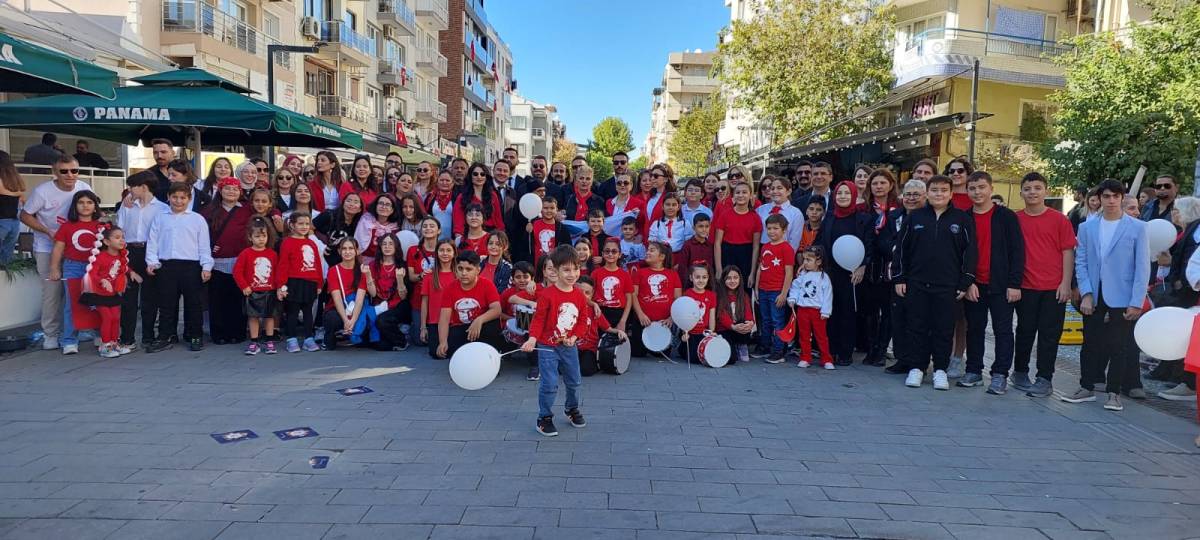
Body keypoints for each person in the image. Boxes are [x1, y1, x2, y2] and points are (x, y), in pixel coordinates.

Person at [1064, 179, 1150, 412]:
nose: (1111, 201)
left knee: (1119, 346)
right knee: (1090, 343)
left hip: (1123, 295)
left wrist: (1136, 301)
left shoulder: (1137, 228)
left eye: (1115, 196)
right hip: (1094, 292)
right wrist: (1086, 293)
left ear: (1122, 198)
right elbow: (1081, 262)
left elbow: (1143, 268)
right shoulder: (1087, 227)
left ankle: (1114, 393)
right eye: (1106, 196)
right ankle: (1086, 386)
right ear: (1099, 199)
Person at [893, 174, 976, 391]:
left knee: (943, 328)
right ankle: (917, 368)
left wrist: (965, 281)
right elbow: (902, 249)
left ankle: (940, 370)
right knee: (917, 326)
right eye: (934, 190)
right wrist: (900, 277)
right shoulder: (915, 217)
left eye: (943, 191)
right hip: (916, 283)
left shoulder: (962, 219)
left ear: (950, 194)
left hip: (948, 286)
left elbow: (970, 252)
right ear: (927, 194)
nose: (939, 194)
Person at [960, 171, 1026, 394]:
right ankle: (974, 370)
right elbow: (959, 253)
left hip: (1002, 284)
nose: (977, 192)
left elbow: (1017, 251)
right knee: (975, 328)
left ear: (990, 188)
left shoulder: (1006, 216)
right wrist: (966, 282)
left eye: (981, 187)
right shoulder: (964, 217)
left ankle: (999, 374)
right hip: (974, 283)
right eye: (972, 188)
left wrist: (1014, 283)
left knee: (1003, 330)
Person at [1011, 172, 1076, 398]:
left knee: (1049, 334)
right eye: (1028, 189)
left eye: (1037, 188)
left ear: (1045, 191)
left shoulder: (1059, 219)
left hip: (1053, 287)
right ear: (1021, 193)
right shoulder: (1015, 219)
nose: (1032, 193)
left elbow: (1067, 251)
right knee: (1025, 331)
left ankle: (1044, 378)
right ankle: (1019, 372)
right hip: (1026, 286)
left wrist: (1065, 283)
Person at [20, 154, 93, 350]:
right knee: (52, 292)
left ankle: (82, 328)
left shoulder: (84, 187)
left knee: (81, 289)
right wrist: (47, 231)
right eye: (64, 171)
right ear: (55, 173)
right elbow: (25, 215)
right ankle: (50, 334)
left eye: (74, 170)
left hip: (76, 249)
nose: (70, 175)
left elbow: (95, 211)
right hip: (46, 246)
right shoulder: (43, 191)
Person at [521, 245, 590, 437]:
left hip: (569, 347)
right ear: (555, 270)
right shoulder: (547, 295)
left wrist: (574, 337)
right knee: (549, 383)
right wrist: (532, 339)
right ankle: (544, 418)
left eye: (575, 269)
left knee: (574, 381)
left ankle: (572, 409)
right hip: (547, 347)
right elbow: (538, 320)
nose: (572, 274)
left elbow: (583, 321)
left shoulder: (579, 295)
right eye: (566, 270)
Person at [145, 182, 213, 353]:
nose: (178, 201)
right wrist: (151, 262)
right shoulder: (160, 217)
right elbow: (153, 242)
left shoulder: (197, 219)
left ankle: (194, 335)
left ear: (189, 199)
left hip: (191, 266)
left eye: (183, 197)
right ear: (168, 197)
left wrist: (206, 266)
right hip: (166, 265)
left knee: (193, 304)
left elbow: (204, 245)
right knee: (167, 304)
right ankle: (165, 335)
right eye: (174, 197)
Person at [816, 181, 871, 366]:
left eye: (847, 193)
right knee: (830, 312)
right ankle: (830, 350)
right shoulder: (829, 217)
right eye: (840, 193)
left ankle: (846, 352)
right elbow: (820, 242)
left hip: (853, 273)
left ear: (854, 195)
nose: (843, 196)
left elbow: (869, 245)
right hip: (831, 272)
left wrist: (863, 266)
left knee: (848, 313)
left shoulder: (863, 219)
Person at [48, 190, 105, 355]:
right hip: (73, 267)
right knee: (72, 305)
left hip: (96, 268)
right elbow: (58, 248)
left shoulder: (102, 226)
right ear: (75, 206)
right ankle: (69, 340)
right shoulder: (67, 226)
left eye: (89, 202)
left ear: (95, 206)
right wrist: (54, 268)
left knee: (97, 303)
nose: (85, 206)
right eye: (81, 202)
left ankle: (100, 334)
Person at [115, 172, 166, 351]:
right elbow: (119, 228)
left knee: (150, 298)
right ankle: (127, 337)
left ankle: (148, 336)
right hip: (129, 250)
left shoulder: (161, 208)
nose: (129, 190)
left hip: (150, 252)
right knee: (127, 297)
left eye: (132, 186)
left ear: (144, 187)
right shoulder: (127, 205)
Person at [882, 180, 926, 375]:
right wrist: (895, 249)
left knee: (919, 321)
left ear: (925, 196)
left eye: (916, 194)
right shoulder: (893, 216)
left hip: (921, 276)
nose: (911, 198)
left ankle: (919, 362)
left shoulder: (929, 217)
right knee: (898, 318)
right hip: (897, 274)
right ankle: (902, 359)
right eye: (908, 194)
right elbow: (883, 240)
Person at [202, 178, 253, 345]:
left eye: (235, 189)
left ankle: (237, 332)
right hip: (217, 262)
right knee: (217, 300)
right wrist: (209, 247)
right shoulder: (209, 211)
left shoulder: (246, 211)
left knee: (237, 299)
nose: (232, 192)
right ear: (220, 191)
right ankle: (219, 333)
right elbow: (201, 234)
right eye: (228, 188)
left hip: (239, 261)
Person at [861, 169, 900, 366]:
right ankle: (871, 348)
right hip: (869, 266)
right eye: (875, 183)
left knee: (888, 311)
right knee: (870, 310)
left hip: (890, 266)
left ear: (891, 185)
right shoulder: (864, 209)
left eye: (882, 183)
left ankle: (882, 349)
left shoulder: (899, 209)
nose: (878, 187)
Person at [437, 250, 503, 357]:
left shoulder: (487, 284)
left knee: (493, 325)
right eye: (460, 269)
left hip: (482, 327)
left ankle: (492, 357)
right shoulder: (450, 288)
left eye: (468, 269)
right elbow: (444, 318)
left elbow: (497, 309)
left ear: (478, 270)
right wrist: (442, 342)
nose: (464, 273)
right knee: (449, 352)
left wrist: (479, 320)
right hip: (461, 327)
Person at [275, 212, 324, 353]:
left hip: (310, 282)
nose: (304, 227)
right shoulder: (287, 242)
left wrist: (319, 283)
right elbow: (283, 265)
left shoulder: (311, 243)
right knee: (293, 312)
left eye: (307, 224)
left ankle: (309, 338)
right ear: (292, 225)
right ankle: (292, 339)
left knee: (308, 312)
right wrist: (281, 285)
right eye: (300, 223)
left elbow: (318, 265)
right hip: (293, 282)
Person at [322, 238, 381, 350]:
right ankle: (333, 336)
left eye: (351, 248)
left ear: (357, 251)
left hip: (357, 308)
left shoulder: (362, 269)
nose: (347, 251)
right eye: (344, 248)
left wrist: (352, 321)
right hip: (338, 308)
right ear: (339, 251)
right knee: (332, 319)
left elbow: (360, 298)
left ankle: (353, 333)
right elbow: (337, 298)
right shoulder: (334, 270)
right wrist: (346, 320)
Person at [233, 218, 280, 355]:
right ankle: (254, 342)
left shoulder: (272, 254)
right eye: (257, 236)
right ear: (250, 237)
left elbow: (277, 272)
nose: (261, 239)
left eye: (263, 236)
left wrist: (279, 288)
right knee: (252, 317)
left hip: (269, 290)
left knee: (269, 316)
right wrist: (244, 286)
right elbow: (237, 271)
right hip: (252, 292)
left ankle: (269, 341)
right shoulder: (246, 253)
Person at [85, 226, 131, 358]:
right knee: (107, 317)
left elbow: (124, 268)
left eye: (122, 237)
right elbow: (91, 273)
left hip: (113, 293)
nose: (121, 240)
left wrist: (131, 273)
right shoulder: (100, 257)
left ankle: (114, 343)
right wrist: (102, 281)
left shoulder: (122, 256)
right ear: (106, 242)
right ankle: (105, 345)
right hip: (100, 294)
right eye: (117, 237)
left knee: (116, 318)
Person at [755, 214, 796, 363]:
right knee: (765, 320)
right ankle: (765, 346)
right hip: (764, 289)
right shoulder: (765, 246)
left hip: (776, 291)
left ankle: (779, 351)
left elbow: (789, 273)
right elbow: (761, 268)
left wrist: (784, 293)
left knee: (777, 320)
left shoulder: (786, 248)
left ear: (784, 230)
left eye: (776, 228)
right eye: (769, 228)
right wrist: (757, 288)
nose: (772, 231)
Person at [631, 242, 682, 358]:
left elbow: (677, 299)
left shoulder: (673, 275)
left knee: (661, 354)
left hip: (664, 324)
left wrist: (671, 318)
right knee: (638, 354)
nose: (647, 252)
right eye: (648, 250)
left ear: (662, 257)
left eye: (652, 250)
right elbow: (633, 295)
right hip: (642, 321)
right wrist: (640, 314)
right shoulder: (640, 273)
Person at [788, 246, 834, 369]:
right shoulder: (802, 275)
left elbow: (828, 296)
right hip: (803, 310)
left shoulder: (824, 278)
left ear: (818, 261)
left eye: (809, 260)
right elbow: (795, 287)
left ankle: (826, 359)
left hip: (817, 311)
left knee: (821, 336)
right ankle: (805, 357)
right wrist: (792, 299)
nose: (805, 263)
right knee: (804, 335)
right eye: (804, 260)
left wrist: (826, 311)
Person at [574, 275, 628, 376]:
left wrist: (618, 331)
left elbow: (608, 328)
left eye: (587, 293)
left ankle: (596, 364)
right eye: (580, 292)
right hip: (571, 347)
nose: (584, 295)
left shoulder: (595, 311)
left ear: (592, 294)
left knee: (585, 371)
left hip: (589, 348)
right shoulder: (568, 306)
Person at [713, 183, 761, 287]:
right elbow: (717, 243)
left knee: (743, 290)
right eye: (737, 192)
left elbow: (756, 247)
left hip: (746, 256)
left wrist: (752, 272)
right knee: (725, 290)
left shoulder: (755, 218)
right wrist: (718, 268)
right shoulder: (725, 215)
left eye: (744, 192)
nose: (741, 195)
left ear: (750, 195)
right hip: (727, 254)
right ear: (733, 196)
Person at [420, 240, 458, 357]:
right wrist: (423, 327)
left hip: (455, 322)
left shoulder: (459, 275)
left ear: (454, 253)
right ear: (436, 253)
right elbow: (425, 302)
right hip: (435, 322)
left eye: (448, 250)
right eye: (441, 250)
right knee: (436, 354)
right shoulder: (429, 276)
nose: (445, 253)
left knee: (453, 352)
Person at [452, 164, 504, 240]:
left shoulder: (493, 195)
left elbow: (498, 220)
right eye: (475, 174)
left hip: (491, 236)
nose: (479, 177)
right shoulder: (462, 197)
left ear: (486, 177)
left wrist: (501, 237)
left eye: (482, 174)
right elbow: (458, 222)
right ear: (470, 176)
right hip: (469, 235)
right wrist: (460, 239)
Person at [592, 238, 633, 333]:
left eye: (614, 251)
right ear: (602, 254)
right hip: (600, 313)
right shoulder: (596, 273)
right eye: (607, 251)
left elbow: (629, 299)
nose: (610, 254)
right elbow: (591, 295)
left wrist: (623, 321)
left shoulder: (625, 274)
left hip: (618, 314)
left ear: (619, 255)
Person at [716, 266, 754, 365]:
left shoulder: (744, 295)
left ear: (740, 279)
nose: (732, 281)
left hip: (739, 328)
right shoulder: (719, 295)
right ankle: (733, 347)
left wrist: (750, 322)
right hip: (725, 330)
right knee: (731, 359)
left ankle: (742, 345)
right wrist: (732, 326)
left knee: (745, 323)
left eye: (735, 278)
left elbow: (748, 313)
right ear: (723, 280)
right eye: (729, 278)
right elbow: (721, 315)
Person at [679, 265, 716, 364]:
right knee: (694, 358)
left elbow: (712, 316)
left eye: (704, 277)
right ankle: (682, 347)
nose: (701, 280)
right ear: (691, 278)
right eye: (697, 277)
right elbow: (683, 315)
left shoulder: (711, 295)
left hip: (704, 333)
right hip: (690, 333)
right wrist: (684, 333)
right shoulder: (687, 294)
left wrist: (711, 332)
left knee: (710, 355)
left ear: (708, 278)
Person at [313, 193, 363, 267]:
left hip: (342, 265)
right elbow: (309, 228)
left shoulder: (359, 225)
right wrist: (320, 245)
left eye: (356, 202)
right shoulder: (329, 215)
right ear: (343, 204)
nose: (351, 204)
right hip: (321, 260)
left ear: (360, 209)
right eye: (348, 201)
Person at [757, 177, 804, 250]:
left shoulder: (796, 213)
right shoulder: (761, 210)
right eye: (772, 189)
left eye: (779, 188)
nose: (775, 191)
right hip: (762, 251)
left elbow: (794, 241)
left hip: (784, 253)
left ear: (789, 191)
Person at [355, 194, 400, 262]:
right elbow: (358, 246)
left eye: (387, 204)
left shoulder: (395, 227)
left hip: (387, 262)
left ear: (392, 210)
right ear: (376, 206)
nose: (383, 207)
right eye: (381, 203)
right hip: (365, 262)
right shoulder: (366, 221)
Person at [0, 151, 27, 266]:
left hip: (2, 218)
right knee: (8, 250)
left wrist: (18, 194)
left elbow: (1, 191)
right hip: (14, 219)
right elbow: (22, 192)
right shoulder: (14, 177)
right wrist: (19, 193)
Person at [676, 213, 714, 288]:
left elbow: (712, 268)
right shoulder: (687, 246)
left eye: (707, 226)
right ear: (694, 228)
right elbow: (683, 269)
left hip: (707, 285)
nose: (704, 229)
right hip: (690, 286)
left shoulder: (710, 246)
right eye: (700, 226)